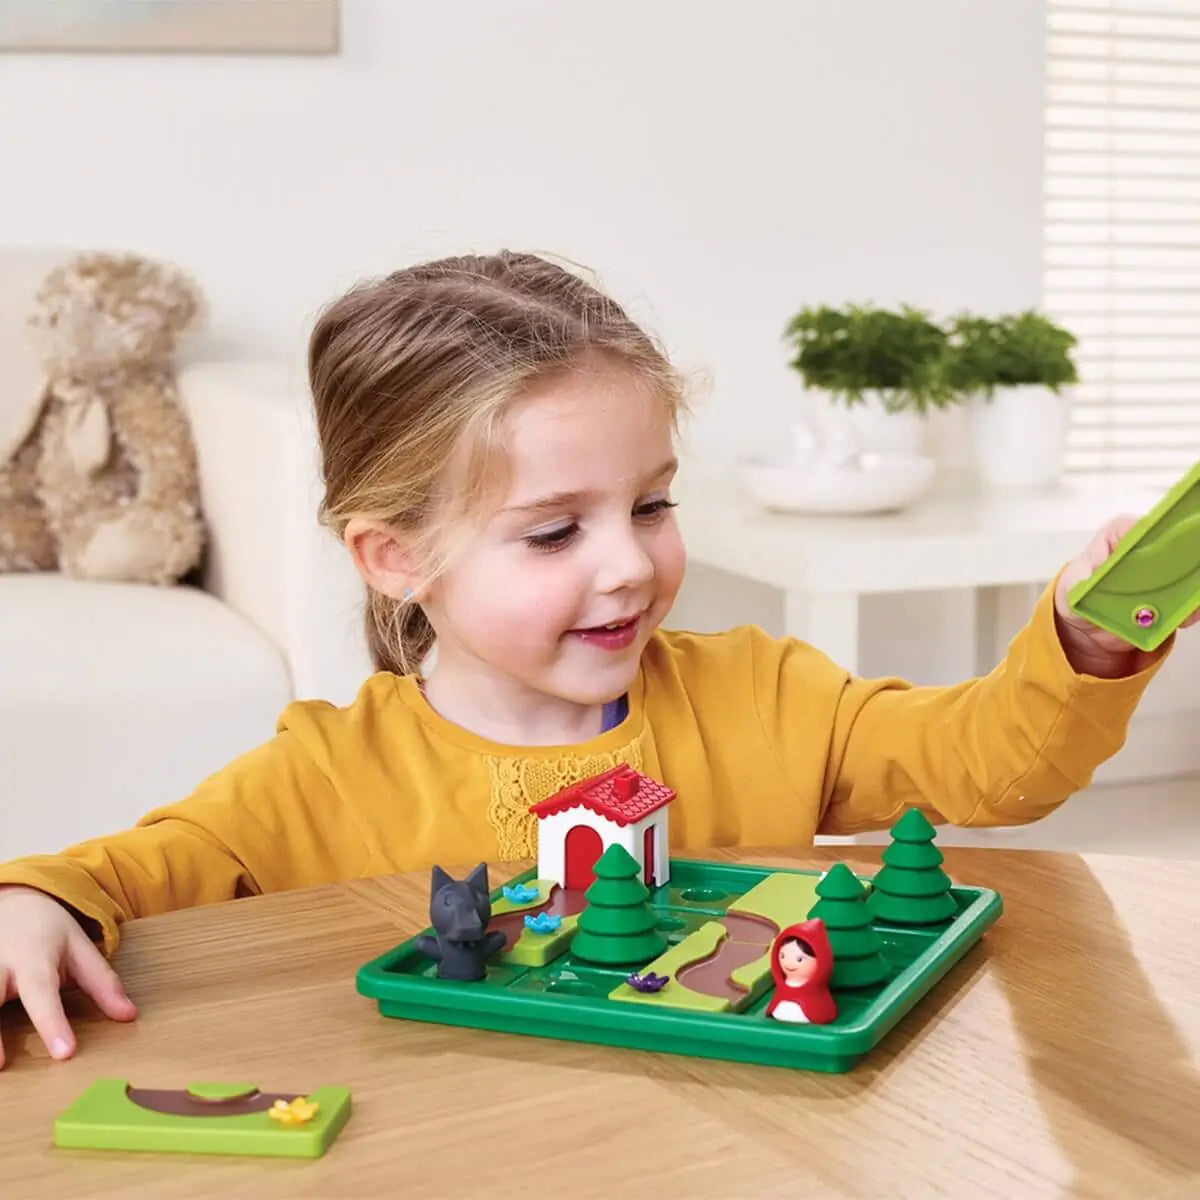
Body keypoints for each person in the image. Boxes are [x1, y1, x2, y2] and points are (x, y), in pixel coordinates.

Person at [0, 251, 1189, 1069]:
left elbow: (988, 764)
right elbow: (120, 876)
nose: (628, 565)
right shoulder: (321, 777)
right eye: (555, 531)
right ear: (396, 557)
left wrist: (1083, 642)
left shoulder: (768, 696)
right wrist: (36, 902)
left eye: (652, 505)